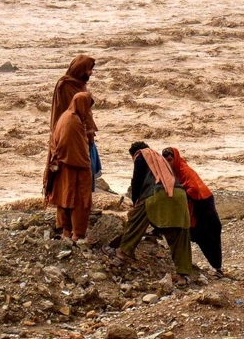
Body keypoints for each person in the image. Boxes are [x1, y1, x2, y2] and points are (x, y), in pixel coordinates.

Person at [116, 142, 193, 281]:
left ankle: (124, 251)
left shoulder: (141, 155)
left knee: (136, 218)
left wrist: (135, 201)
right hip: (179, 195)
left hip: (158, 193)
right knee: (179, 234)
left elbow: (137, 181)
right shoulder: (159, 158)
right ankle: (182, 275)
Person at [162, 147, 223, 277]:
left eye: (170, 160)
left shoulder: (184, 170)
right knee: (193, 233)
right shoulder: (173, 172)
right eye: (165, 160)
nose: (168, 163)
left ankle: (217, 267)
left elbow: (194, 189)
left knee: (210, 234)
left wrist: (181, 196)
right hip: (194, 204)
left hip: (203, 203)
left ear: (175, 159)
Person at [43, 93, 94, 243]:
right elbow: (73, 148)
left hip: (63, 167)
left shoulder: (65, 117)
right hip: (75, 169)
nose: (88, 111)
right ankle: (78, 234)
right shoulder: (73, 122)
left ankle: (66, 232)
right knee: (80, 201)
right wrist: (86, 165)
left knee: (65, 199)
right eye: (87, 107)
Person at [50, 55, 103, 187]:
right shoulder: (66, 86)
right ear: (81, 69)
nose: (91, 73)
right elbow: (71, 112)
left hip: (84, 134)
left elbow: (85, 111)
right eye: (89, 70)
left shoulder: (80, 84)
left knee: (87, 171)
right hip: (72, 135)